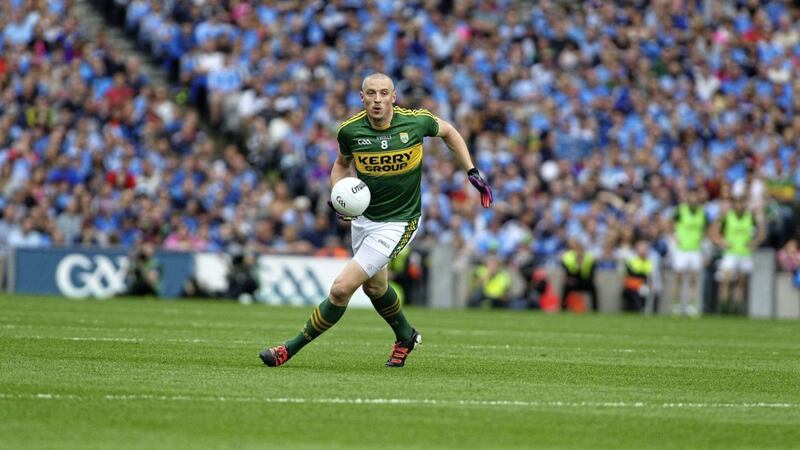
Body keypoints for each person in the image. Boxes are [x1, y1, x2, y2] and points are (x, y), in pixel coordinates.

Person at [259, 73, 493, 368]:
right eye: (371, 93)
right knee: (375, 288)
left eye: (384, 93)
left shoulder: (416, 121)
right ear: (362, 97)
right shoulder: (350, 131)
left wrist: (471, 171)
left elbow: (449, 132)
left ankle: (288, 350)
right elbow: (341, 166)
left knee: (342, 288)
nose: (378, 100)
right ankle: (406, 336)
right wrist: (338, 195)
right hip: (365, 220)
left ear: (394, 97)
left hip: (400, 221)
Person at [710, 196, 766, 314]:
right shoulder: (726, 216)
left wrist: (755, 242)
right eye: (737, 203)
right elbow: (713, 231)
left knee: (741, 283)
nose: (740, 206)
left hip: (745, 253)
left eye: (742, 203)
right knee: (725, 281)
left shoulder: (750, 217)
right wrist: (720, 241)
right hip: (730, 253)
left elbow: (762, 233)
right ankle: (723, 307)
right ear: (734, 205)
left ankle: (737, 309)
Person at [670, 187, 708, 317]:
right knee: (679, 277)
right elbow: (669, 224)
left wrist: (703, 241)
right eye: (691, 197)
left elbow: (706, 229)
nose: (693, 199)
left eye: (695, 197)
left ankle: (691, 305)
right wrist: (674, 237)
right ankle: (676, 304)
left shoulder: (702, 213)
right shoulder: (680, 211)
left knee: (693, 278)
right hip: (682, 249)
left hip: (695, 249)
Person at [560, 239, 598, 312]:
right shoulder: (569, 258)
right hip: (574, 281)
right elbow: (567, 270)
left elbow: (591, 272)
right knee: (566, 287)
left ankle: (595, 310)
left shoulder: (589, 258)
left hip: (585, 281)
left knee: (593, 288)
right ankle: (563, 309)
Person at [622, 240, 654, 313]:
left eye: (645, 249)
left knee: (647, 290)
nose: (643, 252)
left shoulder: (649, 261)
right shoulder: (632, 260)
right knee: (637, 292)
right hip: (632, 285)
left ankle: (645, 309)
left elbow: (647, 275)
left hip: (643, 285)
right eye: (641, 249)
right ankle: (639, 309)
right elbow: (633, 273)